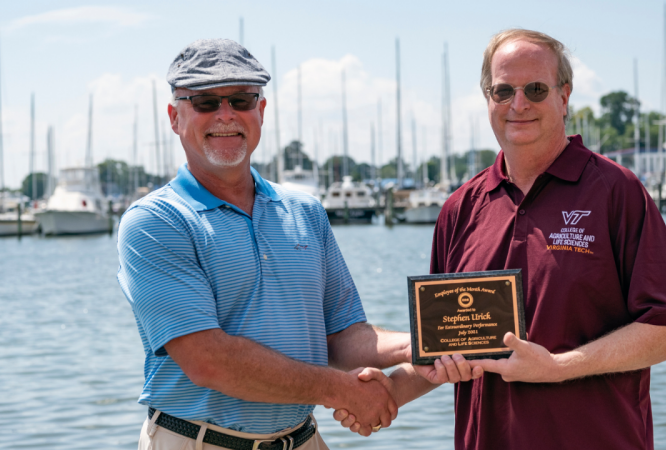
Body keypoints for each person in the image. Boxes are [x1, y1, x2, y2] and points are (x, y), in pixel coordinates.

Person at [337, 29, 666, 450]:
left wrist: (558, 367)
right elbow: (451, 345)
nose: (519, 103)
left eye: (535, 89)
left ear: (564, 97)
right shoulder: (460, 208)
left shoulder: (615, 190)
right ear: (488, 100)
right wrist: (389, 392)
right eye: (503, 90)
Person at [117, 39, 467, 450]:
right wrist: (343, 391)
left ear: (261, 111)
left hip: (302, 440)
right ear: (176, 117)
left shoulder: (306, 210)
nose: (225, 114)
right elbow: (208, 360)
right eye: (206, 101)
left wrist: (427, 346)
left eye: (242, 99)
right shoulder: (156, 222)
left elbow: (341, 337)